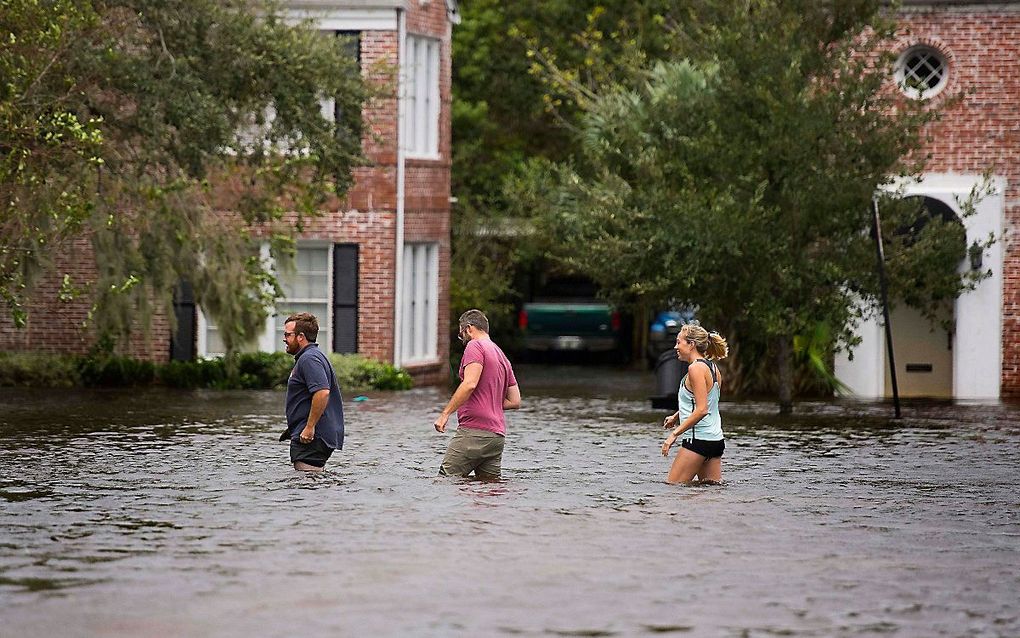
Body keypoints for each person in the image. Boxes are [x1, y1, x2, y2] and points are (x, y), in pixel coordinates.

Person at [433, 309, 521, 479]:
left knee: (445, 482)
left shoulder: (475, 346)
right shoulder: (501, 354)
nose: (462, 339)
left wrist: (445, 414)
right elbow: (515, 400)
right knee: (488, 490)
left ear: (469, 328)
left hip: (474, 432)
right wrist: (490, 402)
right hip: (496, 437)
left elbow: (470, 383)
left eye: (461, 334)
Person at [660, 323, 729, 484]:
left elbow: (702, 409)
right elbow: (705, 402)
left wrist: (674, 434)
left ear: (691, 344)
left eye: (679, 342)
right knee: (709, 496)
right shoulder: (713, 368)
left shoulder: (695, 369)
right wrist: (677, 416)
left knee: (672, 490)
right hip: (715, 441)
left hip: (697, 441)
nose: (676, 346)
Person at [279, 312, 344, 472]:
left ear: (301, 336)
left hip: (313, 437)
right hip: (313, 434)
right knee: (313, 488)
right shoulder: (312, 356)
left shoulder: (309, 359)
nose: (284, 338)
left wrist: (309, 428)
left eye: (288, 334)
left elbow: (322, 392)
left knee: (305, 490)